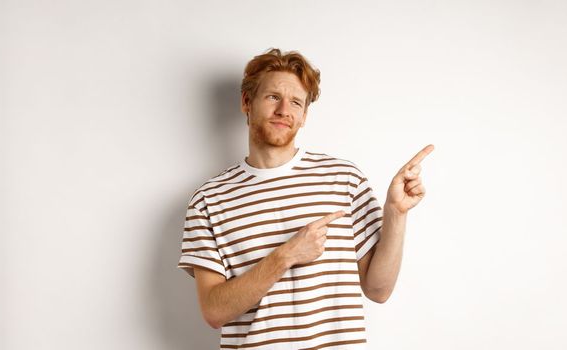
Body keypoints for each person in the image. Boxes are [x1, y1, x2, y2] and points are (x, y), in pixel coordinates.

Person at [177, 47, 433, 349]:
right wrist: (287, 255)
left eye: (296, 102)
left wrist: (396, 213)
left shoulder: (343, 178)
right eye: (273, 97)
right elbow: (214, 311)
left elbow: (378, 290)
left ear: (304, 116)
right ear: (247, 102)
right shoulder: (209, 199)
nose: (284, 109)